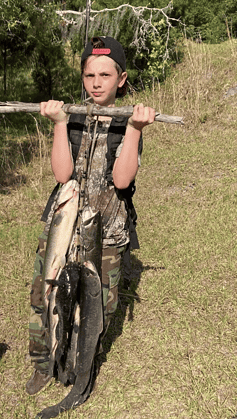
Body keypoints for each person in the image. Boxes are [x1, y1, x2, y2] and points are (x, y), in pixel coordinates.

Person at [26, 36, 156, 395]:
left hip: (108, 229)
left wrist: (133, 129)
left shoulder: (129, 121)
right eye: (89, 75)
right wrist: (58, 123)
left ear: (122, 78)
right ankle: (43, 362)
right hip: (64, 221)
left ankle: (78, 368)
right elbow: (62, 175)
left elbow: (122, 179)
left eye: (105, 75)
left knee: (96, 304)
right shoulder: (73, 117)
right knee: (44, 293)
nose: (96, 83)